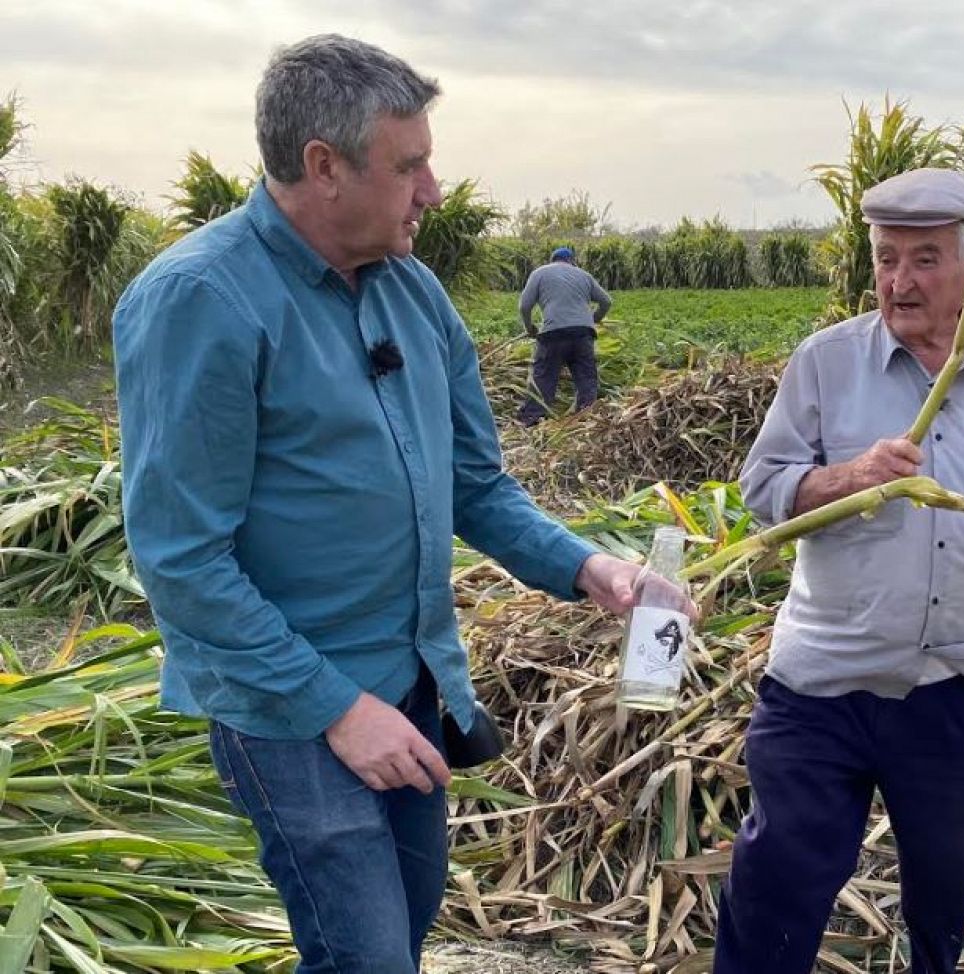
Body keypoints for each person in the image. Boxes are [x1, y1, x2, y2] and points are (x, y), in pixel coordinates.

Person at [113, 35, 645, 972]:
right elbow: (181, 559)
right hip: (291, 709)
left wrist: (588, 565)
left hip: (415, 684)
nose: (433, 191)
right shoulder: (202, 300)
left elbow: (475, 485)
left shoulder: (415, 294)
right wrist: (337, 708)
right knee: (367, 957)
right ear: (324, 167)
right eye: (409, 166)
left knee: (400, 931)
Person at [717, 168, 964, 974]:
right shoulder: (826, 363)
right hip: (820, 690)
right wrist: (846, 479)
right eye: (886, 257)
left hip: (951, 692)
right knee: (777, 889)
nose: (899, 280)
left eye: (925, 259)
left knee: (944, 893)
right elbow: (764, 489)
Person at [516, 245, 612, 425]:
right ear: (571, 261)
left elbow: (524, 306)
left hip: (553, 334)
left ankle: (532, 418)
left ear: (552, 260)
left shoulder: (540, 273)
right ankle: (587, 419)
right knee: (586, 377)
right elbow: (606, 301)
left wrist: (529, 327)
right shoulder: (584, 275)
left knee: (544, 376)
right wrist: (594, 319)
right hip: (583, 334)